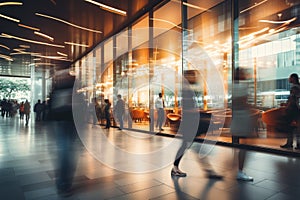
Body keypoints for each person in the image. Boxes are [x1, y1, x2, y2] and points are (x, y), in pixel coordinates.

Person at [171, 71, 223, 179]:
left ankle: (208, 170)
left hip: (191, 124)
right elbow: (186, 109)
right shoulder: (187, 91)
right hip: (190, 124)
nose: (194, 78)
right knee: (191, 146)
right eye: (191, 76)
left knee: (192, 146)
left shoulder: (188, 90)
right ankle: (207, 170)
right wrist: (198, 112)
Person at [230, 67, 257, 181]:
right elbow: (243, 102)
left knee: (243, 144)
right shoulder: (242, 87)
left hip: (237, 118)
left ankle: (239, 169)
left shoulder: (233, 86)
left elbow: (234, 103)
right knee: (244, 145)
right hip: (243, 118)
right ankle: (240, 171)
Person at [280, 73, 300, 149]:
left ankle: (290, 143)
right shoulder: (297, 87)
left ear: (293, 79)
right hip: (297, 109)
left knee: (290, 127)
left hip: (294, 109)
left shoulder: (294, 88)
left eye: (290, 78)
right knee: (297, 127)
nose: (289, 79)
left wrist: (286, 106)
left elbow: (292, 100)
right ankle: (297, 143)